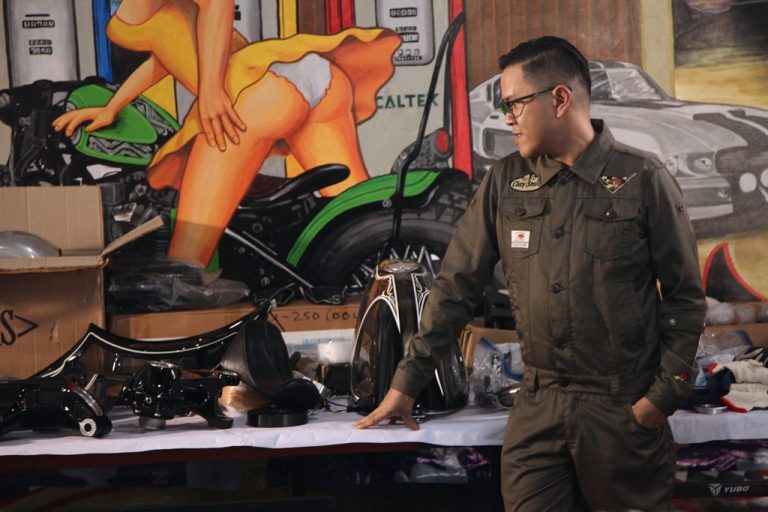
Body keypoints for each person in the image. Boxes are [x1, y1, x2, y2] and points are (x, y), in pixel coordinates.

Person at [355, 36, 705, 511]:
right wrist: (406, 382)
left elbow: (685, 299)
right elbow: (456, 287)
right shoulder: (505, 183)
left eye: (514, 103)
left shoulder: (642, 179)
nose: (507, 118)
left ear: (559, 99)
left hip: (621, 411)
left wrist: (660, 399)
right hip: (536, 407)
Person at [53, 0, 399, 266]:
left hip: (253, 90)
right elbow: (167, 53)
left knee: (186, 265)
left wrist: (211, 91)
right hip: (314, 76)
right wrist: (112, 107)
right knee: (367, 225)